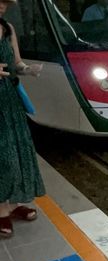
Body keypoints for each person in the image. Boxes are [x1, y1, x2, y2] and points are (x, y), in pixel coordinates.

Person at [0, 0, 45, 239]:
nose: (2, 7)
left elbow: (16, 63)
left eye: (5, 3)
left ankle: (15, 202)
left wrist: (28, 69)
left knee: (18, 149)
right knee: (1, 152)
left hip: (9, 97)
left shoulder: (8, 28)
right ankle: (0, 210)